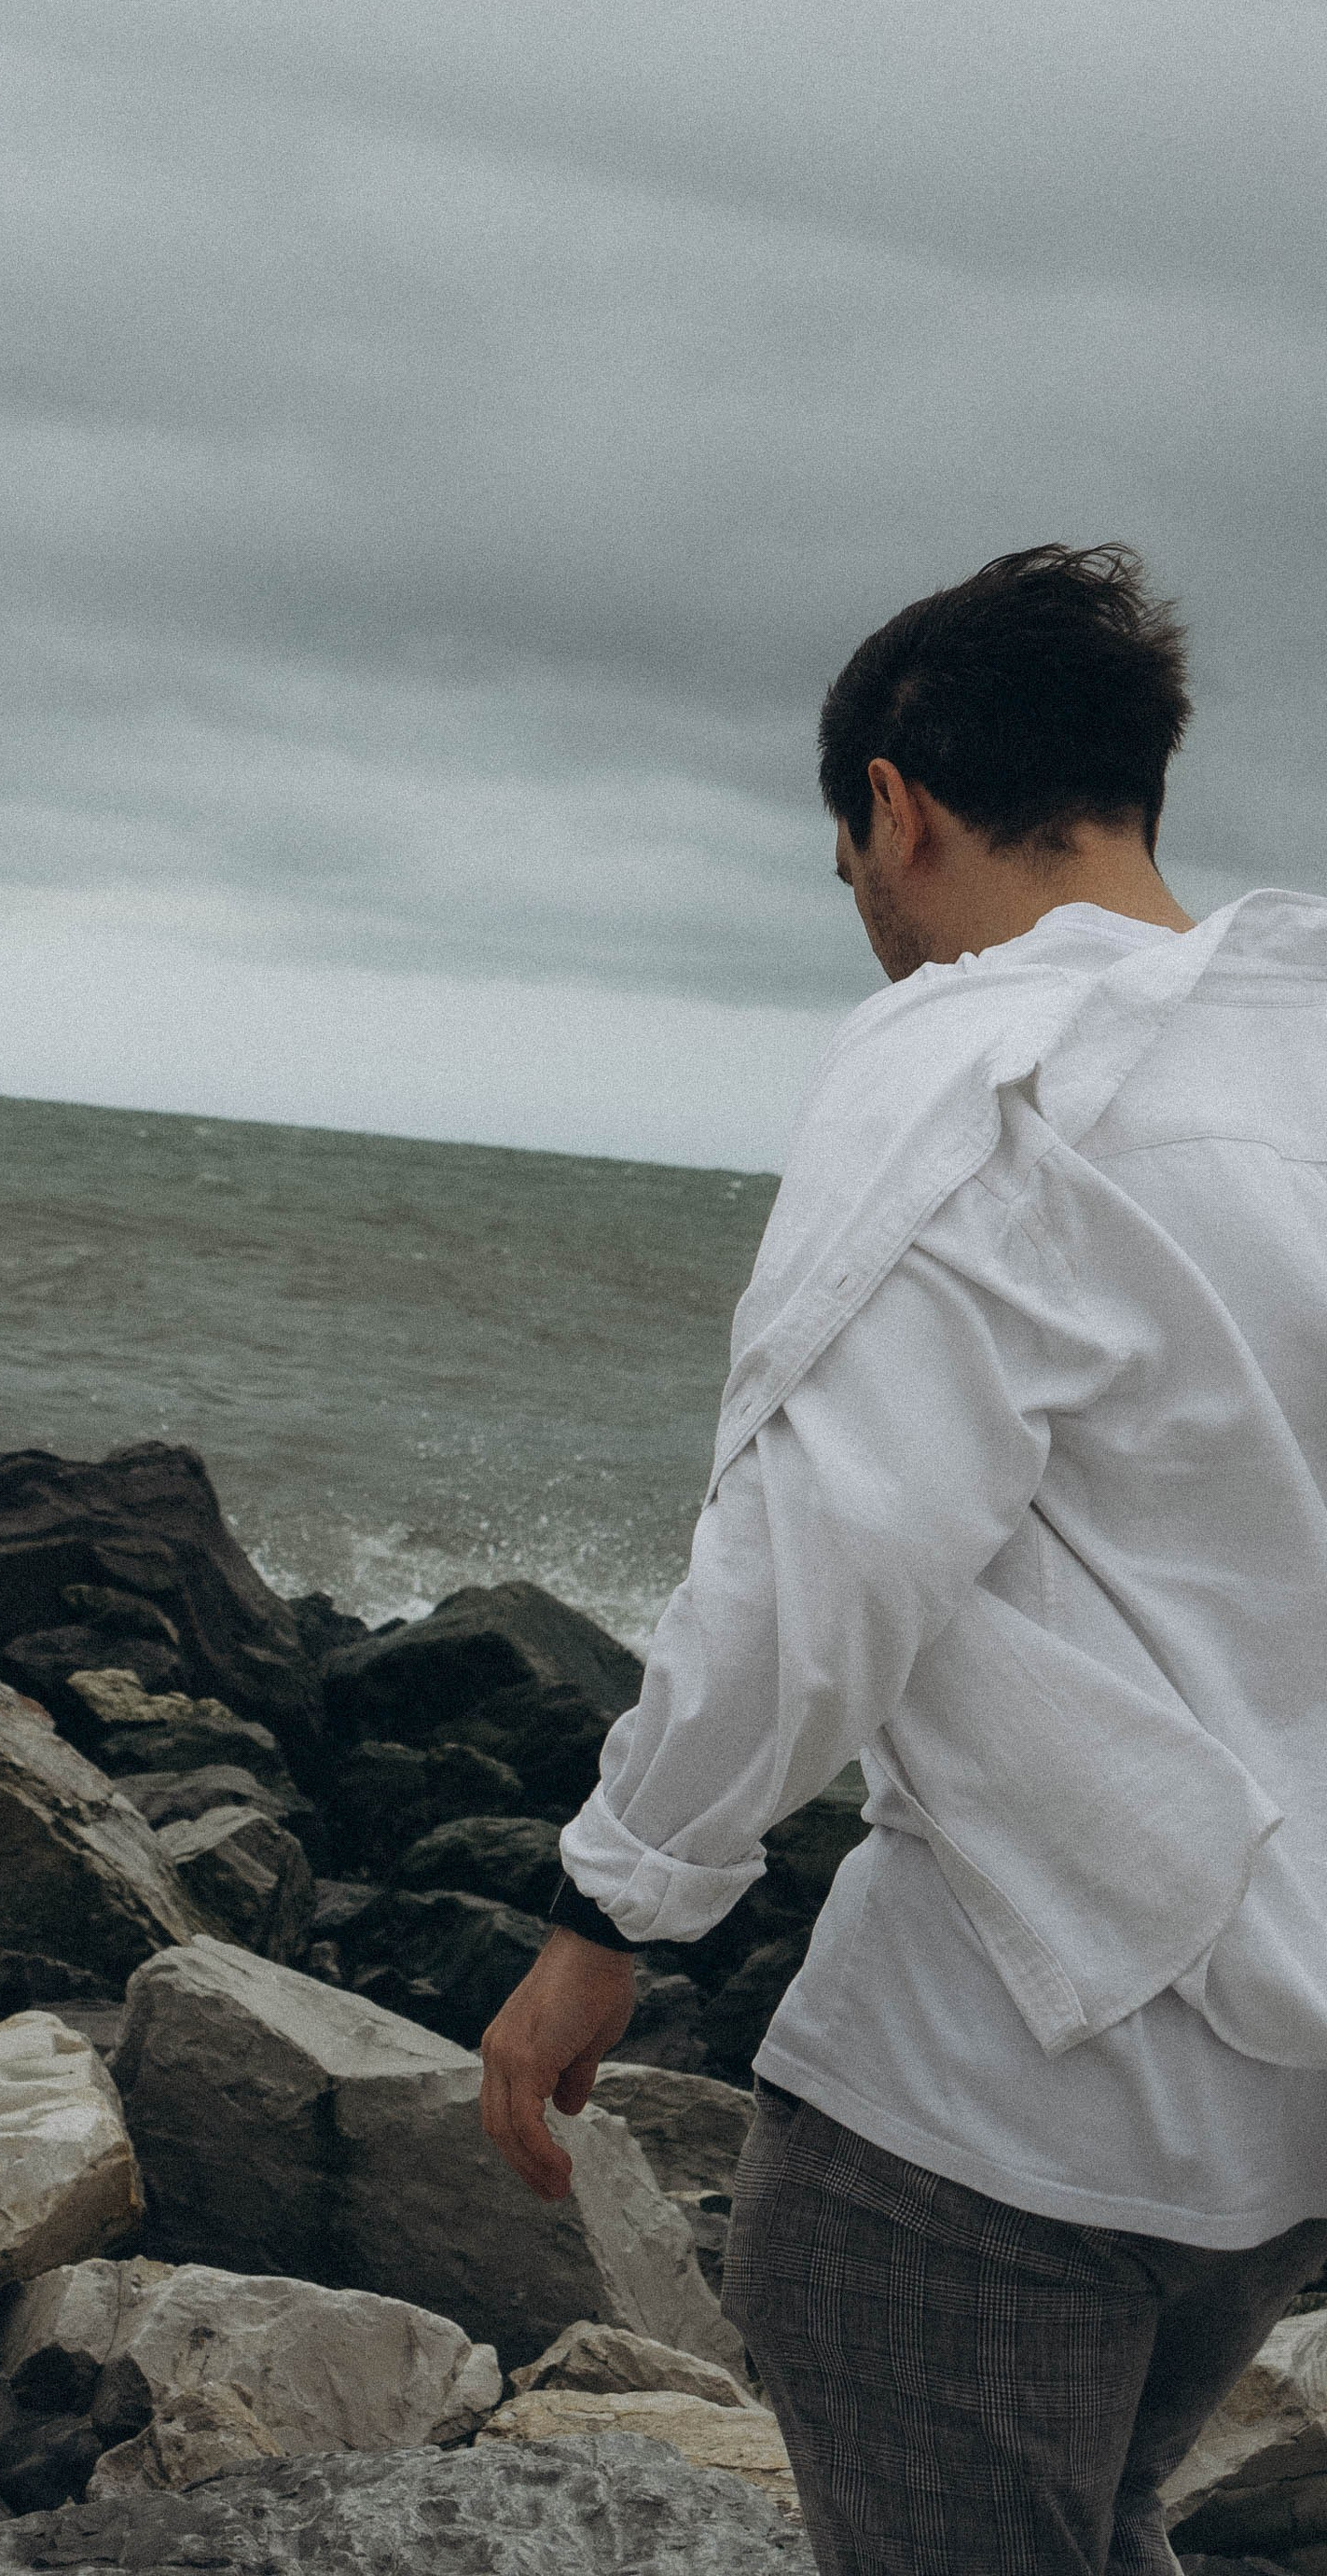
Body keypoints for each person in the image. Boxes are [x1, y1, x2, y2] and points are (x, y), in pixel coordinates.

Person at [477, 543, 1327, 2575]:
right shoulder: (1298, 1057)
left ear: (890, 804)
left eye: (840, 844)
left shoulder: (973, 1077)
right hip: (1272, 2126)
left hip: (984, 2117)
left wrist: (614, 1908)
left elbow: (819, 1554)